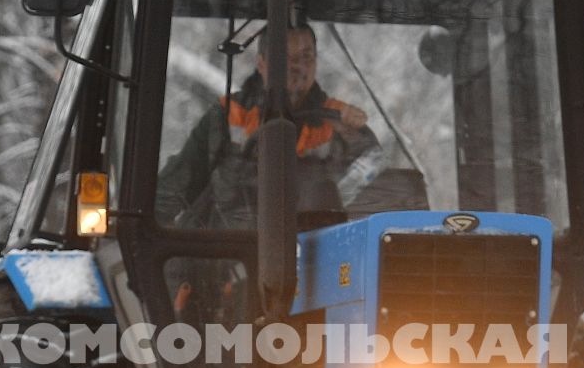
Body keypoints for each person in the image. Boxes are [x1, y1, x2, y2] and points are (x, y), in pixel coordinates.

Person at [157, 23, 401, 228]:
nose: (297, 66)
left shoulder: (340, 125)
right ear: (261, 64)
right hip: (229, 254)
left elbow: (376, 193)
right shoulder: (229, 116)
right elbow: (178, 183)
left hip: (317, 259)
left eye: (306, 57)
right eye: (284, 57)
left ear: (315, 63)